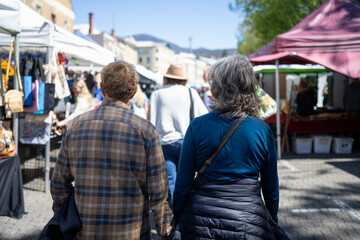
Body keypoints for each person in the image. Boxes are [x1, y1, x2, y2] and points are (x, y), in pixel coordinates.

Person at [51, 60, 174, 239]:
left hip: (84, 230)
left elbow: (58, 183)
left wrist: (65, 217)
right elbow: (159, 191)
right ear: (132, 93)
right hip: (131, 232)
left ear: (102, 88)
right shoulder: (146, 131)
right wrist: (165, 230)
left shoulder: (75, 126)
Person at [173, 55, 279, 239]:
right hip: (248, 221)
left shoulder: (197, 126)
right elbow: (270, 188)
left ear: (217, 88)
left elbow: (183, 183)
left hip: (200, 220)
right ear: (249, 87)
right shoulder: (262, 130)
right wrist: (272, 219)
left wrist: (177, 217)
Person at [149, 63, 208, 199]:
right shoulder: (190, 92)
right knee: (186, 179)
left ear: (167, 77)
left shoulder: (157, 94)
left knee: (170, 180)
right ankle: (184, 211)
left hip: (165, 143)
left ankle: (173, 214)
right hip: (186, 142)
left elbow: (152, 121)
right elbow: (203, 116)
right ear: (183, 79)